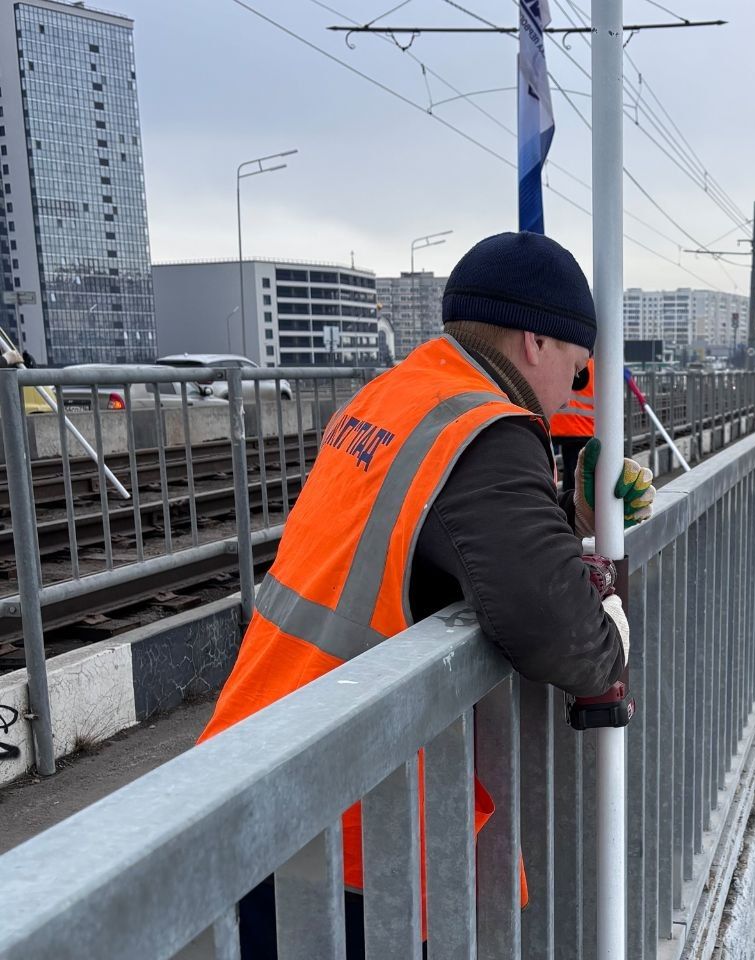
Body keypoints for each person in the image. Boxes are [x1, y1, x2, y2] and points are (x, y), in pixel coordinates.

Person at [197, 232, 656, 959]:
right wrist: (614, 632)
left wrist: (565, 517)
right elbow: (561, 636)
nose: (569, 400)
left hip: (253, 761)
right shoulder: (487, 429)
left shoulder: (397, 394)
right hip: (348, 816)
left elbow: (430, 546)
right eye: (575, 375)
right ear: (534, 342)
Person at [550, 356, 595, 494]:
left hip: (561, 426)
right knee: (578, 476)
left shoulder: (561, 361)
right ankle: (572, 509)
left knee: (569, 472)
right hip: (584, 429)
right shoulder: (595, 367)